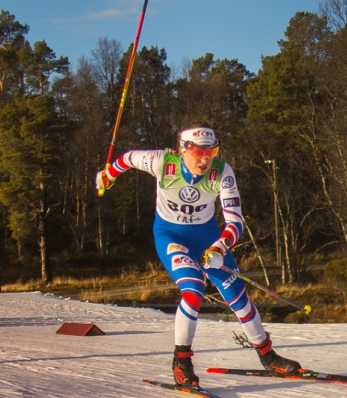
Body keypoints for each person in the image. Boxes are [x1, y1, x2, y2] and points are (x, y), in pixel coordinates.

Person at [95, 121, 300, 390]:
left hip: (207, 237)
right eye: (199, 152)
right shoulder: (161, 162)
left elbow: (235, 222)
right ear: (183, 149)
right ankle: (181, 362)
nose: (205, 160)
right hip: (172, 236)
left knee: (238, 297)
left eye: (211, 152)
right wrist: (108, 174)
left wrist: (219, 248)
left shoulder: (222, 171)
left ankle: (268, 356)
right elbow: (128, 158)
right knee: (193, 291)